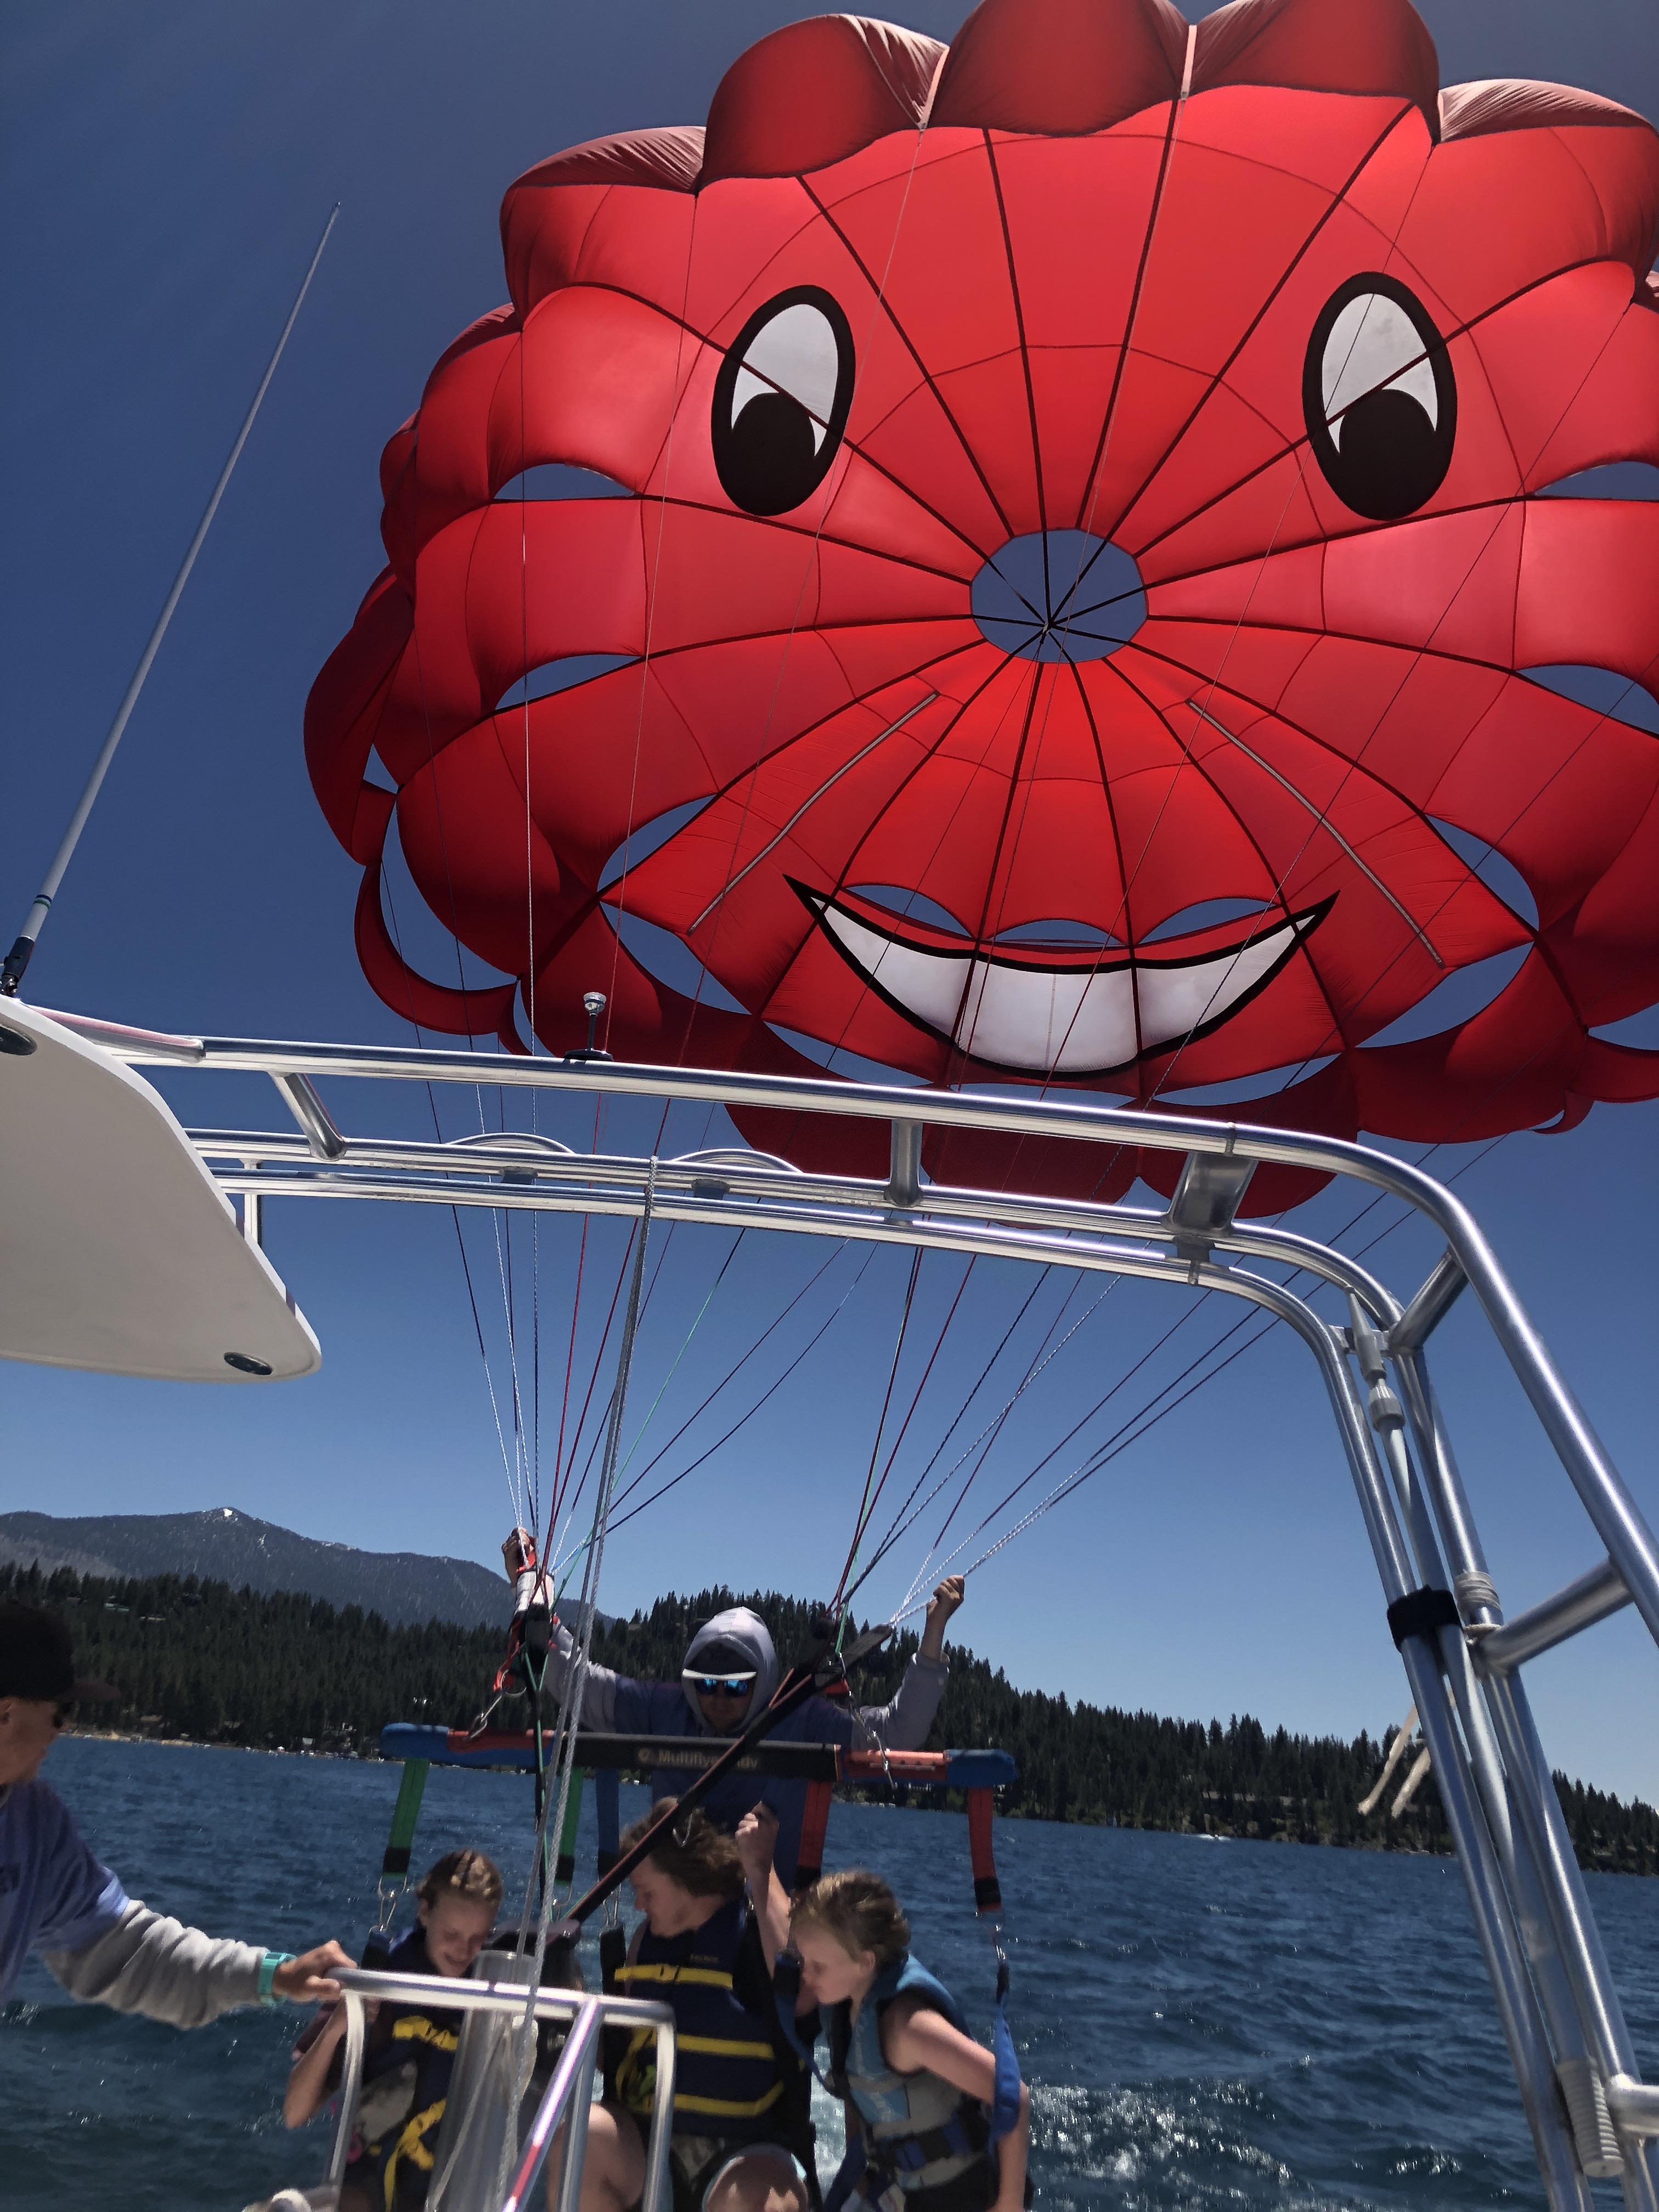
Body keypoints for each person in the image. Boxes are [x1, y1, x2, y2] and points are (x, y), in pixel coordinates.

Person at [501, 1532, 967, 1888]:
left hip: (767, 1913)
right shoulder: (665, 1709)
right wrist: (532, 1595)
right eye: (706, 1684)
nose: (718, 1698)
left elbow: (898, 1734)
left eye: (736, 1686)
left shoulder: (800, 1719)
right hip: (677, 1903)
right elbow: (581, 1685)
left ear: (761, 1682)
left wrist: (933, 1636)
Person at [0, 1600, 351, 2021]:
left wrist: (277, 1976)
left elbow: (125, 1952)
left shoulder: (35, 1825)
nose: (65, 1728)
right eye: (61, 1711)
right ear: (6, 1713)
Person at [737, 1817, 1030, 2212]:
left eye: (818, 1966)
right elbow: (857, 2083)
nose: (806, 1976)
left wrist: (1009, 2203)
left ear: (865, 1962)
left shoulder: (908, 2027)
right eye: (804, 1962)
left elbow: (1013, 2094)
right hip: (901, 2190)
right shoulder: (844, 2006)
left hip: (965, 2196)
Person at [567, 1798, 813, 2212]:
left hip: (742, 2147)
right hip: (647, 2144)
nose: (639, 1905)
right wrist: (571, 2010)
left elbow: (801, 1990)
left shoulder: (755, 1934)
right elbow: (620, 2055)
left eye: (646, 1891)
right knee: (581, 2134)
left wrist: (761, 1868)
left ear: (686, 1875)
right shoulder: (643, 1943)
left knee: (758, 2204)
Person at [284, 1847, 506, 2212]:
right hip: (369, 2187)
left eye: (477, 1938)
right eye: (452, 1933)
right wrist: (340, 2024)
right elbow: (295, 2113)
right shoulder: (380, 1982)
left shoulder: (492, 1990)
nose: (464, 1950)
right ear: (425, 1912)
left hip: (449, 2191)